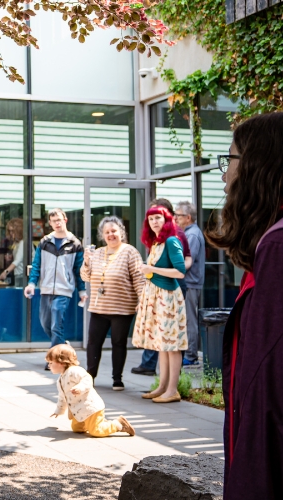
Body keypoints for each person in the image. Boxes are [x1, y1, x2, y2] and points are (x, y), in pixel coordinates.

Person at [205, 112, 283, 499]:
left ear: (257, 166)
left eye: (229, 160)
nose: (224, 175)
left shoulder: (278, 249)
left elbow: (266, 394)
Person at [80, 216, 145, 391]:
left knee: (118, 342)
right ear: (102, 235)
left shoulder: (130, 252)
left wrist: (142, 300)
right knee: (94, 342)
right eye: (107, 232)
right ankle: (90, 377)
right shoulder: (98, 252)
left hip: (122, 307)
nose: (111, 235)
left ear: (121, 232)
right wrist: (86, 261)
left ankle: (117, 379)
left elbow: (139, 279)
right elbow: (85, 276)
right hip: (99, 306)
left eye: (114, 231)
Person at [132, 205, 187, 404]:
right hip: (156, 295)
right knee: (162, 345)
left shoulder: (172, 241)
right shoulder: (156, 243)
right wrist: (148, 271)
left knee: (172, 345)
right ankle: (162, 387)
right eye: (151, 219)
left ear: (166, 220)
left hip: (168, 297)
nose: (154, 221)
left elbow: (180, 272)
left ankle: (172, 390)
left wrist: (152, 269)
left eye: (158, 218)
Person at [24, 208, 85, 368]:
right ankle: (63, 345)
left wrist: (82, 291)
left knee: (56, 324)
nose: (57, 223)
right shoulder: (44, 242)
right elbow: (36, 265)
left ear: (65, 220)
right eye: (53, 221)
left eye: (59, 219)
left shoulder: (75, 243)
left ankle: (54, 359)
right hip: (45, 290)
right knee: (45, 323)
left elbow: (79, 270)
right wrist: (31, 284)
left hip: (64, 290)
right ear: (50, 223)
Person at [47, 344, 135, 438]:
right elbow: (62, 397)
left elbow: (87, 378)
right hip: (80, 410)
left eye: (51, 363)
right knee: (77, 428)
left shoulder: (74, 371)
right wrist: (59, 410)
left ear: (62, 362)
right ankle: (98, 422)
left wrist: (80, 387)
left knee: (96, 431)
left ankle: (118, 424)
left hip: (91, 408)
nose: (49, 366)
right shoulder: (60, 380)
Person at [174, 201, 205, 366]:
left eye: (178, 215)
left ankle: (191, 355)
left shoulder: (192, 235)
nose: (176, 217)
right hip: (188, 283)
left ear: (188, 217)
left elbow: (186, 261)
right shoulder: (188, 232)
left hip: (190, 283)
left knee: (189, 320)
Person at [0, 217, 25, 286]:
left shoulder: (23, 242)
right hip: (18, 274)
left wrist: (5, 272)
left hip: (23, 275)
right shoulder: (16, 243)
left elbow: (17, 261)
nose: (11, 233)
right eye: (9, 231)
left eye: (13, 231)